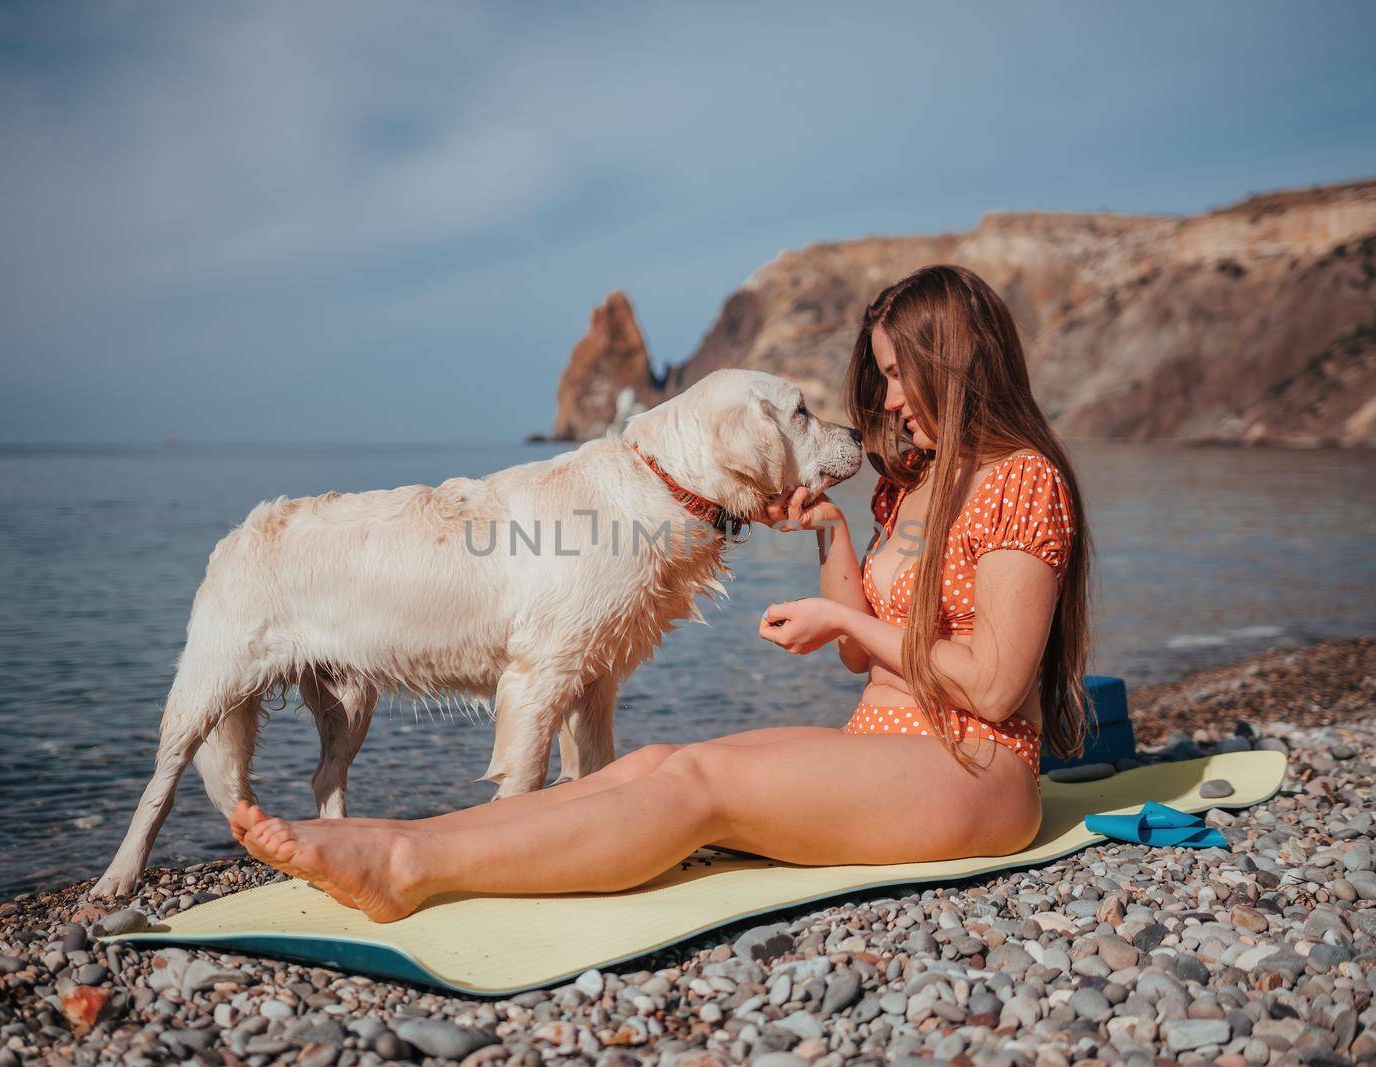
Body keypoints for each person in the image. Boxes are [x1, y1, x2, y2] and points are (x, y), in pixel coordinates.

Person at [229, 264, 1093, 923]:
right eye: (887, 376)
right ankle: (392, 837)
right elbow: (855, 650)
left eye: (903, 374)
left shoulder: (1024, 481)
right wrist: (831, 535)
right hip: (885, 748)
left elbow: (991, 685)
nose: (894, 401)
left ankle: (412, 869)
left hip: (974, 770)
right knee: (651, 763)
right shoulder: (911, 487)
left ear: (957, 362)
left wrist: (835, 612)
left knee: (700, 783)